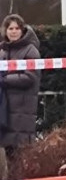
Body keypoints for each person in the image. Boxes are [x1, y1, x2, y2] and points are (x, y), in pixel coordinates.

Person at [0, 14, 42, 158]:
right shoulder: (3, 51)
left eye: (17, 28)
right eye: (10, 28)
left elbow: (30, 77)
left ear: (22, 30)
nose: (13, 31)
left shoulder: (31, 50)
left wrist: (5, 80)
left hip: (23, 109)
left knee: (21, 152)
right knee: (8, 152)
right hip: (6, 108)